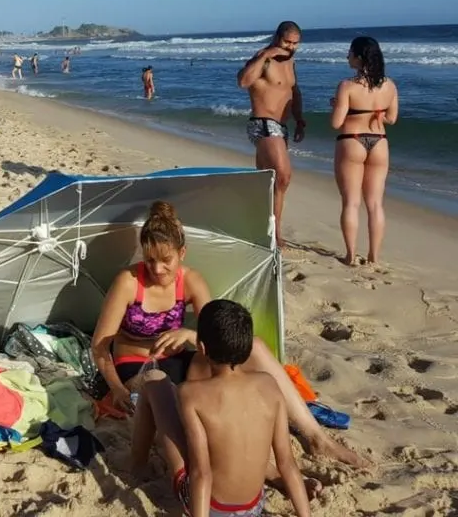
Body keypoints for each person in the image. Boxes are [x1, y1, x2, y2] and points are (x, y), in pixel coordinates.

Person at [90, 200, 366, 468]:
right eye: (150, 260)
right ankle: (262, 471)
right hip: (139, 369)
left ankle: (316, 438)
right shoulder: (128, 282)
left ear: (182, 253)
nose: (157, 269)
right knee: (175, 403)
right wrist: (115, 388)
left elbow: (218, 336)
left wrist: (188, 334)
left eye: (166, 260)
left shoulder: (191, 281)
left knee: (254, 346)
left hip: (182, 363)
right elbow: (100, 347)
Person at [130, 300, 313, 517]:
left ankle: (137, 466)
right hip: (254, 506)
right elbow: (287, 463)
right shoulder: (269, 385)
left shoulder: (191, 394)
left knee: (155, 380)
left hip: (213, 508)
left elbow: (201, 472)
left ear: (202, 347)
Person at [331, 36, 399, 266]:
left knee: (351, 202)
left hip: (352, 139)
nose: (347, 56)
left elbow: (336, 122)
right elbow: (392, 118)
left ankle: (350, 255)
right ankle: (374, 257)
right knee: (375, 204)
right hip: (379, 140)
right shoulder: (389, 85)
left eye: (350, 53)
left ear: (359, 58)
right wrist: (375, 113)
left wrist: (336, 105)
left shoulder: (347, 86)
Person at [236, 22, 305, 248]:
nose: (291, 47)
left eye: (295, 43)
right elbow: (243, 81)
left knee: (270, 181)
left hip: (281, 127)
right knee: (283, 176)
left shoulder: (290, 61)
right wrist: (266, 54)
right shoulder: (263, 58)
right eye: (287, 42)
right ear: (277, 37)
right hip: (263, 123)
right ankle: (274, 234)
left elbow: (293, 91)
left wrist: (299, 119)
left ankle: (263, 227)